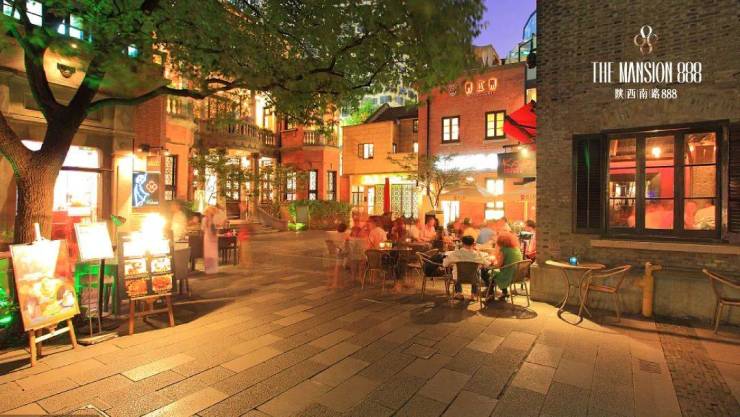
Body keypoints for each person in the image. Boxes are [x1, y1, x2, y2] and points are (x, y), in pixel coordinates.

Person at [443, 235, 491, 300]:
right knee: (476, 272)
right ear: (473, 244)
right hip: (473, 279)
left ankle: (459, 293)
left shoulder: (456, 253)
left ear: (462, 243)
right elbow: (487, 264)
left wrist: (452, 264)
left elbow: (445, 264)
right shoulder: (476, 254)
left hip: (458, 278)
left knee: (455, 270)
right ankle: (473, 294)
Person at [491, 231, 524, 300]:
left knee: (489, 272)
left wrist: (489, 266)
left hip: (508, 275)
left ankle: (490, 293)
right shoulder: (517, 249)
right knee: (493, 271)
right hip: (517, 275)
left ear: (500, 242)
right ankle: (504, 292)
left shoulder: (504, 250)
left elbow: (499, 265)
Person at [202, 206, 224, 274]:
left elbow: (218, 226)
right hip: (208, 237)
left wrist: (217, 227)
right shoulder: (204, 219)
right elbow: (203, 228)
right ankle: (208, 269)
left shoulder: (214, 219)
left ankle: (213, 269)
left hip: (213, 237)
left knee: (213, 254)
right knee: (208, 254)